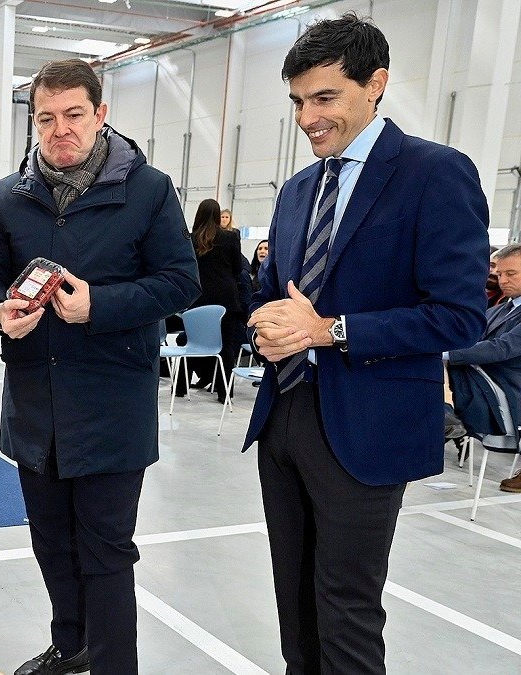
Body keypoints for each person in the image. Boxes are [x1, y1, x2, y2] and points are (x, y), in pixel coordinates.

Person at [246, 13, 488, 674]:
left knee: (346, 609)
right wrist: (264, 321)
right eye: (298, 102)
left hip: (367, 427)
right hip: (285, 418)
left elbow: (460, 315)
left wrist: (333, 330)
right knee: (294, 607)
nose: (307, 118)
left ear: (375, 84)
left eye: (325, 98)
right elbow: (268, 290)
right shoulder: (298, 191)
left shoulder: (434, 174)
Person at [0, 59, 199, 675]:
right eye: (46, 118)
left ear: (100, 115)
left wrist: (99, 304)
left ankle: (113, 663)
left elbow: (181, 281)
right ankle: (71, 646)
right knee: (51, 542)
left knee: (104, 552)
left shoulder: (149, 191)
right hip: (34, 404)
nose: (59, 130)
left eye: (73, 114)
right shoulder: (10, 196)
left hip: (109, 408)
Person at [446, 243, 521, 492]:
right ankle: (444, 417)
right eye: (499, 274)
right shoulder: (500, 309)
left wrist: (445, 354)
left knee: (438, 365)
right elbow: (472, 340)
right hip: (481, 375)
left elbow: (501, 348)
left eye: (511, 274)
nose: (502, 280)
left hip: (508, 385)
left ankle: (445, 416)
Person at [183, 198, 250, 400]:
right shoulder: (230, 238)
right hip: (226, 301)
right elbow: (238, 269)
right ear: (217, 214)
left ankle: (180, 387)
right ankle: (224, 393)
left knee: (190, 342)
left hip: (197, 300)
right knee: (227, 347)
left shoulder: (189, 239)